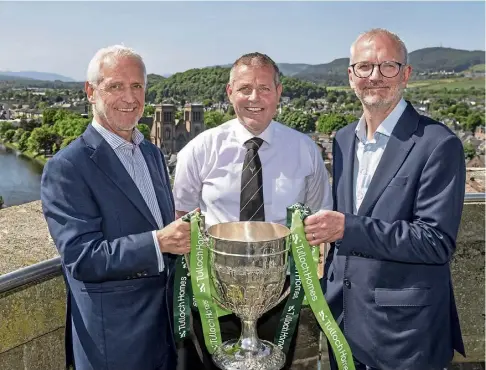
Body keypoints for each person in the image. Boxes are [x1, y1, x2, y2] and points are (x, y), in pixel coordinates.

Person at [303, 29, 466, 370]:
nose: (374, 76)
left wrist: (347, 227)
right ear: (351, 76)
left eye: (387, 66)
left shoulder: (438, 143)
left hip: (405, 336)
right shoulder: (344, 138)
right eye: (364, 67)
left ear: (405, 74)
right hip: (344, 324)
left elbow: (435, 242)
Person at [173, 52, 332, 369]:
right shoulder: (199, 150)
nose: (254, 98)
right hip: (213, 300)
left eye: (264, 88)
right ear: (230, 93)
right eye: (245, 88)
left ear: (279, 92)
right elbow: (180, 220)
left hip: (279, 298)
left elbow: (319, 222)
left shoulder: (304, 150)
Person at [41, 45, 192, 370]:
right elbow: (82, 258)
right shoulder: (68, 166)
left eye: (137, 86)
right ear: (90, 92)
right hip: (115, 344)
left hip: (165, 331)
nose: (130, 97)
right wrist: (160, 242)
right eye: (115, 86)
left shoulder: (151, 153)